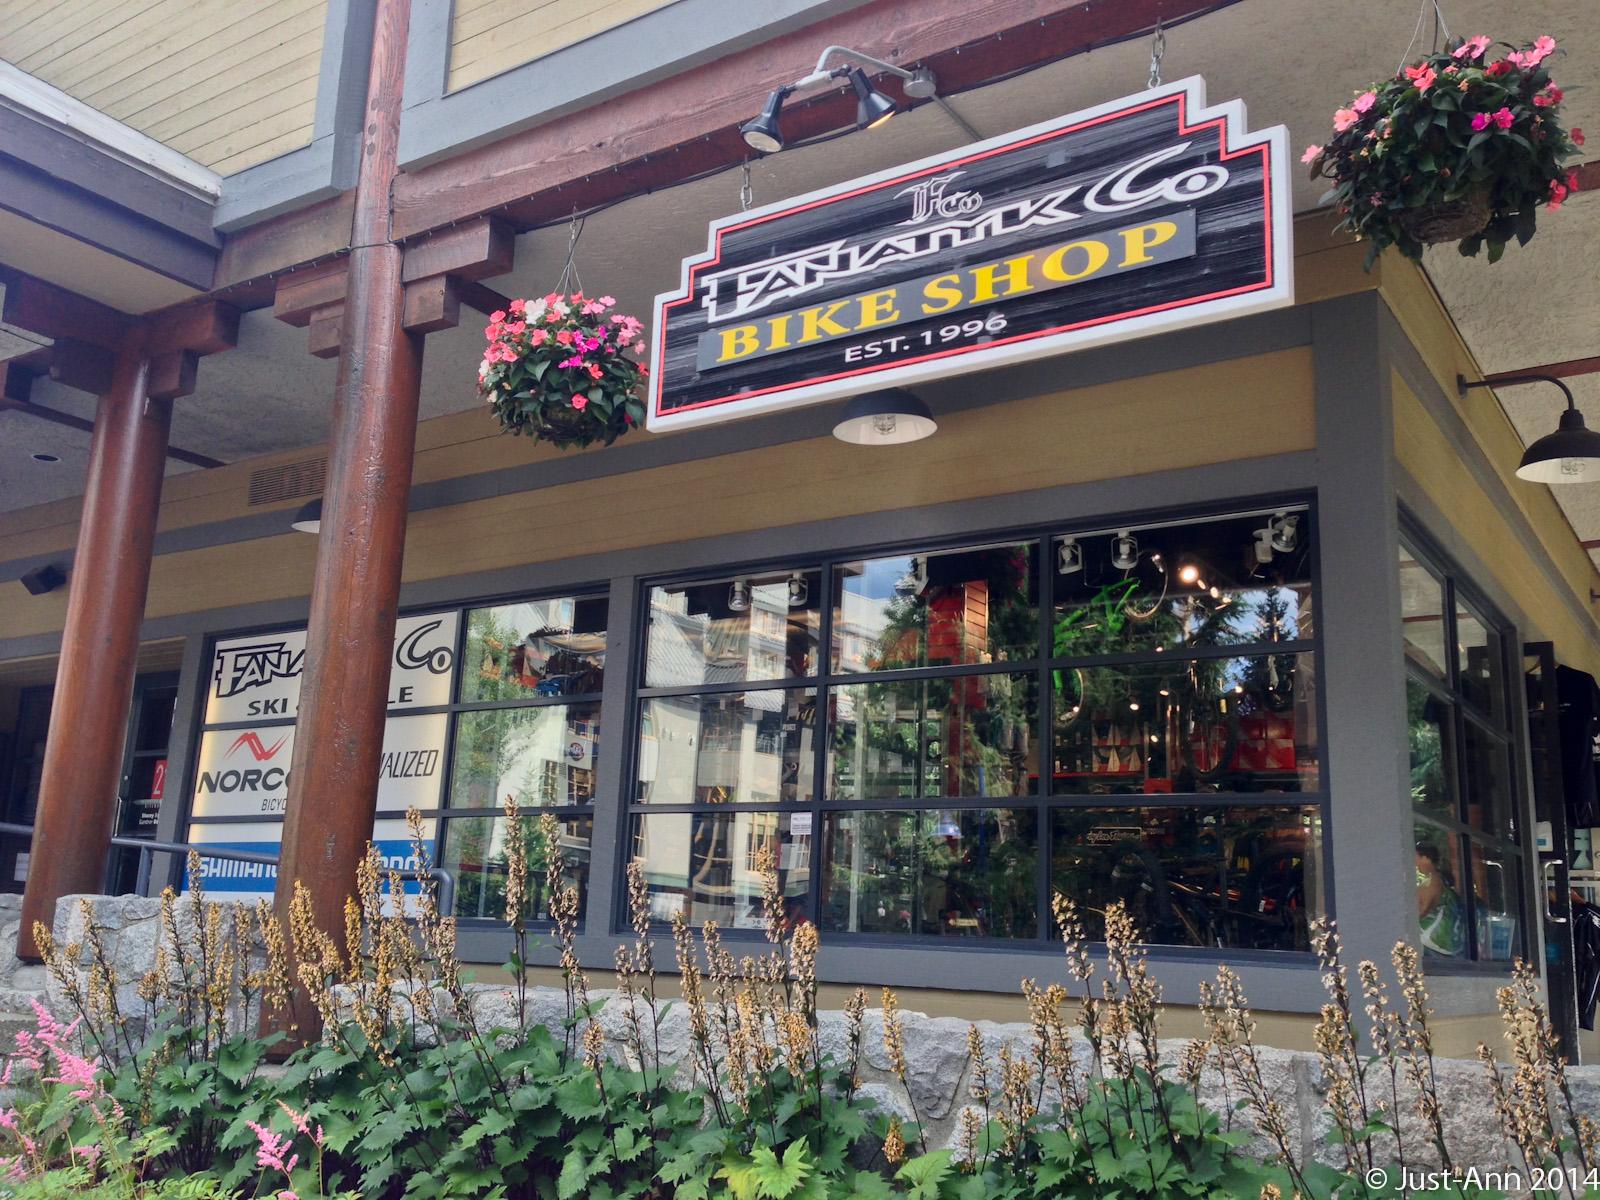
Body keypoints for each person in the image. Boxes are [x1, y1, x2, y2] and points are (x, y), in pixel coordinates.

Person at [1416, 838, 1466, 958]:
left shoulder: (1431, 882)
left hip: (1432, 943)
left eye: (1415, 856)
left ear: (1426, 858)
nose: (1414, 861)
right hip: (1446, 943)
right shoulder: (1442, 879)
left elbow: (1420, 912)